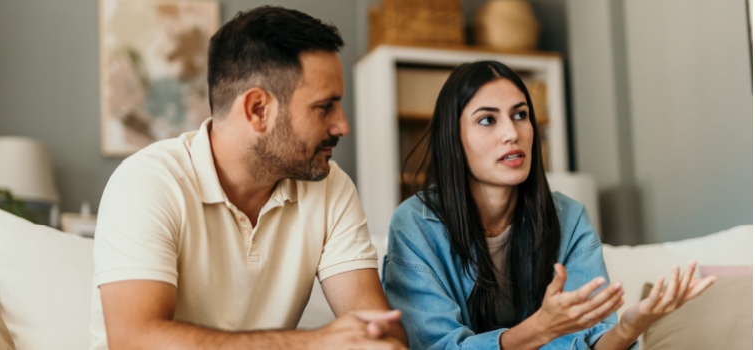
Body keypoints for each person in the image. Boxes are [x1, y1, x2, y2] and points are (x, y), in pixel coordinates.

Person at [90, 6, 407, 349]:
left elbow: (379, 333)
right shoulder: (147, 183)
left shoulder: (330, 186)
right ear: (258, 109)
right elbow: (135, 340)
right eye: (324, 107)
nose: (342, 125)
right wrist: (310, 343)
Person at [381, 60, 715, 349]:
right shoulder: (416, 226)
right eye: (487, 120)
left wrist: (630, 326)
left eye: (520, 115)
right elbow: (436, 347)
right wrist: (540, 329)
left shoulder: (568, 219)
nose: (511, 133)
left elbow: (590, 341)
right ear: (452, 138)